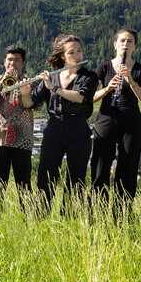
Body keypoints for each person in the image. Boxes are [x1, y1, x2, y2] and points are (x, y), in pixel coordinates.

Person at [31, 34, 98, 208]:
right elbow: (31, 102)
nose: (77, 56)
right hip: (54, 127)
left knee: (76, 178)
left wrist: (53, 88)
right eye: (72, 52)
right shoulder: (52, 76)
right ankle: (41, 216)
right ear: (62, 56)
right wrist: (24, 91)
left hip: (78, 128)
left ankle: (70, 217)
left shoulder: (89, 77)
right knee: (45, 175)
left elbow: (80, 97)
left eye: (79, 51)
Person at [90, 28, 141, 202]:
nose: (125, 44)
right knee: (100, 167)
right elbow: (90, 98)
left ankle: (122, 213)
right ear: (115, 44)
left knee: (127, 169)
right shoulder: (103, 67)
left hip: (131, 123)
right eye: (122, 41)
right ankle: (97, 210)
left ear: (135, 46)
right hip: (106, 120)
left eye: (130, 41)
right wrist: (108, 88)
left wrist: (132, 82)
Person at [0, 45, 35, 212]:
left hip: (22, 139)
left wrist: (25, 93)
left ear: (23, 63)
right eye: (10, 60)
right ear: (4, 62)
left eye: (17, 60)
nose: (13, 63)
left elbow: (33, 106)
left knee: (24, 183)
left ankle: (28, 218)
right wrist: (2, 81)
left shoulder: (29, 82)